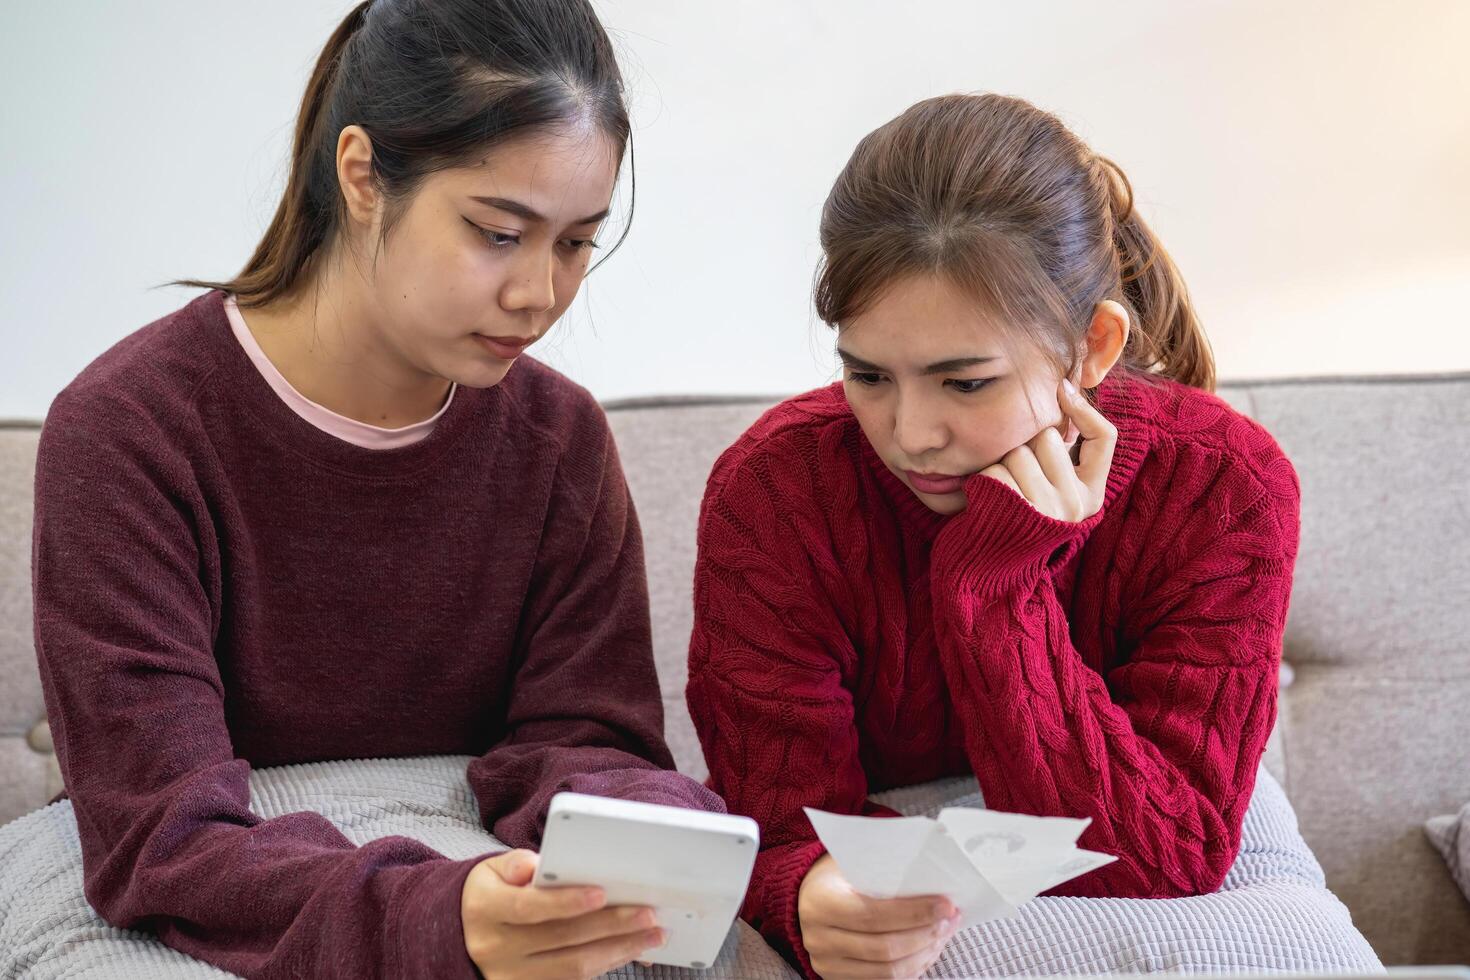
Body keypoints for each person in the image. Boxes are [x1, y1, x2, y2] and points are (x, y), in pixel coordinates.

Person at [31, 2, 722, 977]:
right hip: (240, 887)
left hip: (483, 869)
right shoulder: (128, 432)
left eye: (576, 244)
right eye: (498, 232)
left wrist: (664, 843)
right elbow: (164, 832)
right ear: (362, 174)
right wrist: (432, 911)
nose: (540, 294)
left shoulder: (560, 439)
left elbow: (590, 744)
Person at [686, 93, 1301, 980]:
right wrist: (805, 887)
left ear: (1091, 347)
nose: (910, 433)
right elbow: (780, 821)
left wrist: (998, 584)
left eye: (964, 383)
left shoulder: (1224, 487)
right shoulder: (776, 492)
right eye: (867, 375)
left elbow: (1160, 858)